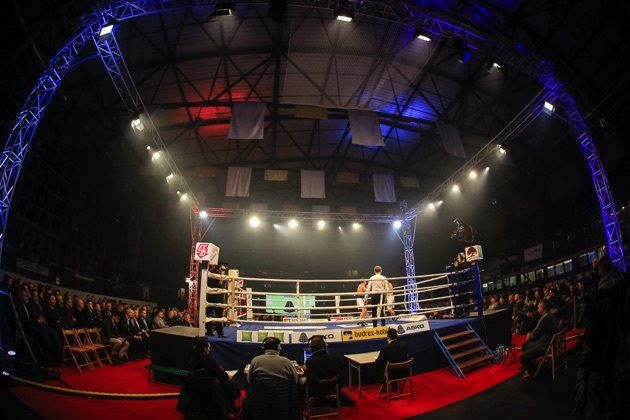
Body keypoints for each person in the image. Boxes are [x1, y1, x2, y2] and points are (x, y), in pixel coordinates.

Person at [576, 256, 630, 418]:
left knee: (600, 397)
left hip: (605, 353)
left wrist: (586, 353)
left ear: (599, 271)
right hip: (622, 347)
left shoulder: (601, 295)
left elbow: (595, 330)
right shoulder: (623, 286)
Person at [177, 337, 239, 419]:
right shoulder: (208, 360)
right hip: (209, 386)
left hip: (194, 385)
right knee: (229, 382)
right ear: (205, 348)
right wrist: (224, 373)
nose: (210, 349)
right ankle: (229, 409)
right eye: (209, 347)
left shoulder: (192, 358)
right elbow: (221, 374)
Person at [519, 301, 556, 378]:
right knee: (526, 345)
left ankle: (532, 370)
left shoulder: (544, 318)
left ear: (542, 308)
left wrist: (530, 336)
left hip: (543, 346)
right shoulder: (551, 315)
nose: (537, 309)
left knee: (522, 357)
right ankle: (531, 365)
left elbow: (533, 335)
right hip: (550, 343)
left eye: (539, 308)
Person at [304, 335, 343, 400]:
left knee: (301, 380)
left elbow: (313, 381)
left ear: (311, 348)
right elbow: (341, 373)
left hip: (316, 392)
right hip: (332, 389)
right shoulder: (335, 359)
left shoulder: (310, 362)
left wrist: (306, 371)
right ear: (325, 346)